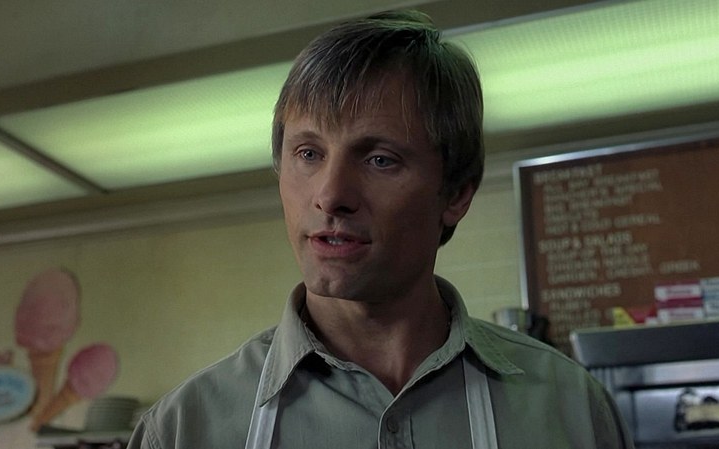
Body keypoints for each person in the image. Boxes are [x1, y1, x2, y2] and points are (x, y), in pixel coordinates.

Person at [128, 10, 634, 449]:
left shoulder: (571, 410)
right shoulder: (183, 429)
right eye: (308, 153)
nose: (331, 195)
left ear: (456, 194)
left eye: (379, 159)